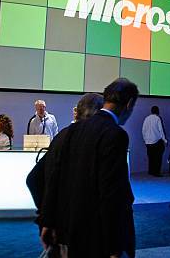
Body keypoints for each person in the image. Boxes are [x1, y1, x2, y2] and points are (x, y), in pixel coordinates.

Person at [41, 78, 138, 258]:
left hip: (69, 229)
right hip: (97, 235)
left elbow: (53, 177)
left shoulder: (70, 131)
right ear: (129, 103)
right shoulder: (115, 134)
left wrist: (48, 219)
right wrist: (115, 246)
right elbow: (112, 193)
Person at [26, 93, 104, 231]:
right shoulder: (97, 141)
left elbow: (33, 179)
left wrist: (47, 218)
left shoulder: (61, 135)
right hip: (84, 224)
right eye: (39, 108)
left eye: (43, 107)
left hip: (63, 221)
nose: (41, 110)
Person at [142, 105, 167, 177]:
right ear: (157, 111)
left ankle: (151, 171)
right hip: (157, 141)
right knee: (158, 158)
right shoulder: (157, 118)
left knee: (151, 157)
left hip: (148, 142)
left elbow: (143, 130)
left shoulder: (146, 118)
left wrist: (145, 140)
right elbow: (161, 130)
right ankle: (156, 172)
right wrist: (164, 140)